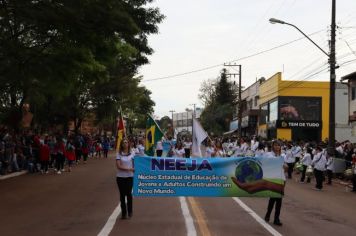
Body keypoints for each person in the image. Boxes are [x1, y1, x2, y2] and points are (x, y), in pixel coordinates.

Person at [264, 140, 285, 226]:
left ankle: (276, 218)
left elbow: (284, 166)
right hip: (272, 178)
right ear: (273, 146)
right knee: (272, 199)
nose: (277, 147)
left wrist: (285, 166)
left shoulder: (283, 155)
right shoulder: (269, 155)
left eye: (278, 146)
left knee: (279, 200)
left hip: (281, 178)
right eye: (275, 145)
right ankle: (268, 214)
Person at [116, 138, 135, 219]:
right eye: (124, 142)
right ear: (121, 144)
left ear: (128, 144)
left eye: (126, 142)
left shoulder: (132, 153)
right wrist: (128, 169)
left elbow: (135, 164)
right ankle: (124, 213)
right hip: (120, 177)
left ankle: (130, 211)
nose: (125, 144)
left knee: (129, 194)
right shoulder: (119, 154)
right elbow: (118, 166)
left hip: (130, 177)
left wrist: (134, 169)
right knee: (122, 195)